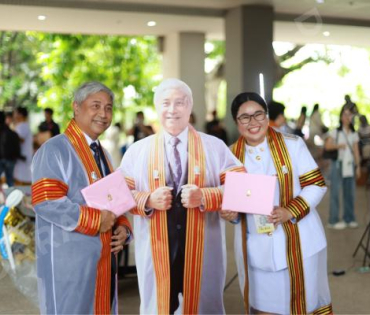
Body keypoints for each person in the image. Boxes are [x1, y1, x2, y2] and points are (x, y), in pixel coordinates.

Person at [120, 78, 244, 314]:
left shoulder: (215, 147)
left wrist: (206, 196)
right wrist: (147, 200)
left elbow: (244, 191)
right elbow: (119, 194)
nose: (173, 109)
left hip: (203, 245)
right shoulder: (138, 151)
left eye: (180, 102)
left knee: (203, 306)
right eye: (166, 103)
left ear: (190, 106)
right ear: (157, 107)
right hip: (157, 247)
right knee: (159, 305)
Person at [222, 92, 332, 314]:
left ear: (267, 115)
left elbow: (316, 184)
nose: (253, 122)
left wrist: (289, 210)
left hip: (301, 245)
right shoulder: (229, 156)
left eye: (258, 115)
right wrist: (231, 215)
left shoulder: (293, 145)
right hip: (257, 250)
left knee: (304, 306)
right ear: (236, 121)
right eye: (245, 117)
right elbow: (233, 199)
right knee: (264, 308)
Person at [31, 82, 132, 314]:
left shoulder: (102, 152)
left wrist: (123, 228)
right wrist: (97, 220)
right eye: (95, 106)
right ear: (76, 107)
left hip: (103, 260)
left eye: (108, 108)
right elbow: (46, 202)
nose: (103, 114)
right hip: (69, 265)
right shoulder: (55, 149)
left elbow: (115, 200)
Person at [325, 106, 361, 229]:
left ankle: (349, 218)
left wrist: (358, 166)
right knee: (335, 192)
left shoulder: (354, 133)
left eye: (349, 115)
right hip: (338, 164)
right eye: (345, 115)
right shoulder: (336, 132)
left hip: (350, 165)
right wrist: (339, 146)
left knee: (349, 193)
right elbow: (328, 146)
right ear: (341, 117)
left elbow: (356, 151)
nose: (347, 117)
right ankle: (333, 220)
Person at [0, 111, 22, 187]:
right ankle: (12, 196)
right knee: (10, 180)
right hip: (11, 159)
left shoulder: (5, 131)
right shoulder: (12, 133)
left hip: (2, 158)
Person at [13, 107, 33, 185]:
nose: (14, 115)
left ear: (20, 115)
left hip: (23, 157)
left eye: (15, 113)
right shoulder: (21, 125)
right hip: (22, 158)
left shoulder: (23, 126)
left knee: (23, 181)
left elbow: (20, 139)